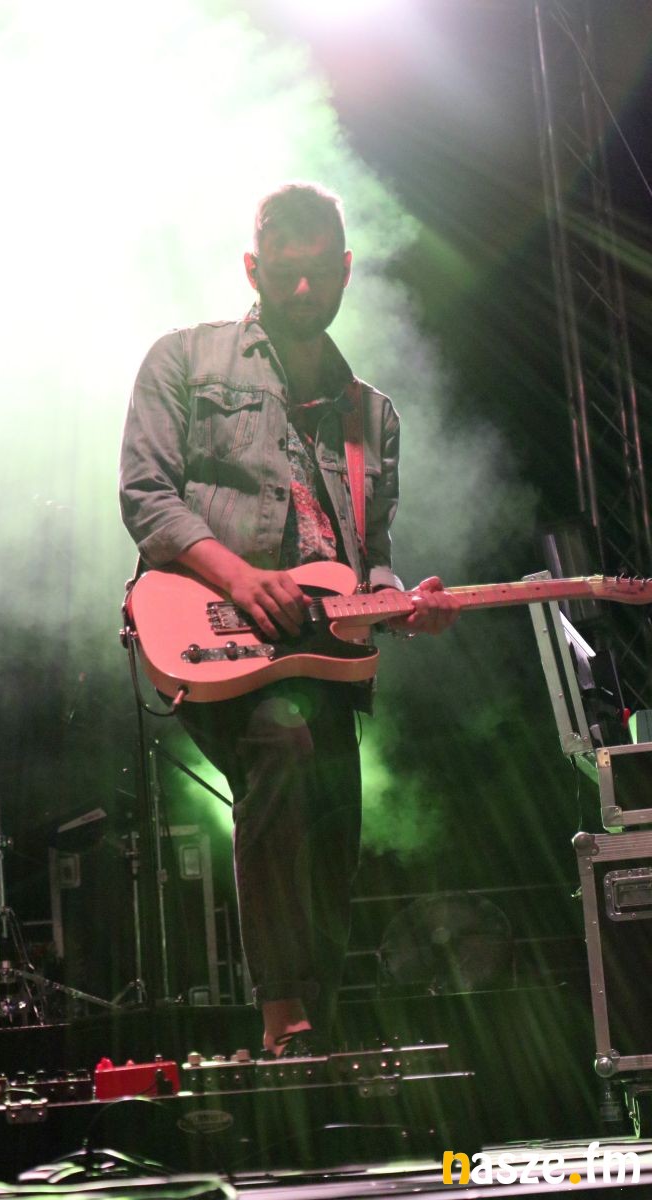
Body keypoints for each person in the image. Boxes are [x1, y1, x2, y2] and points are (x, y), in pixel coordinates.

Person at [120, 182, 459, 1056]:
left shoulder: (371, 414)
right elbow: (146, 496)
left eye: (318, 274)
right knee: (284, 741)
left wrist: (401, 600)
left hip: (321, 651)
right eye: (283, 274)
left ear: (345, 270)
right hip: (212, 631)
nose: (302, 292)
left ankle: (315, 1040)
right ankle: (284, 1017)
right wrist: (239, 579)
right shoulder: (184, 360)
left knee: (337, 823)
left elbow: (368, 554)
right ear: (252, 268)